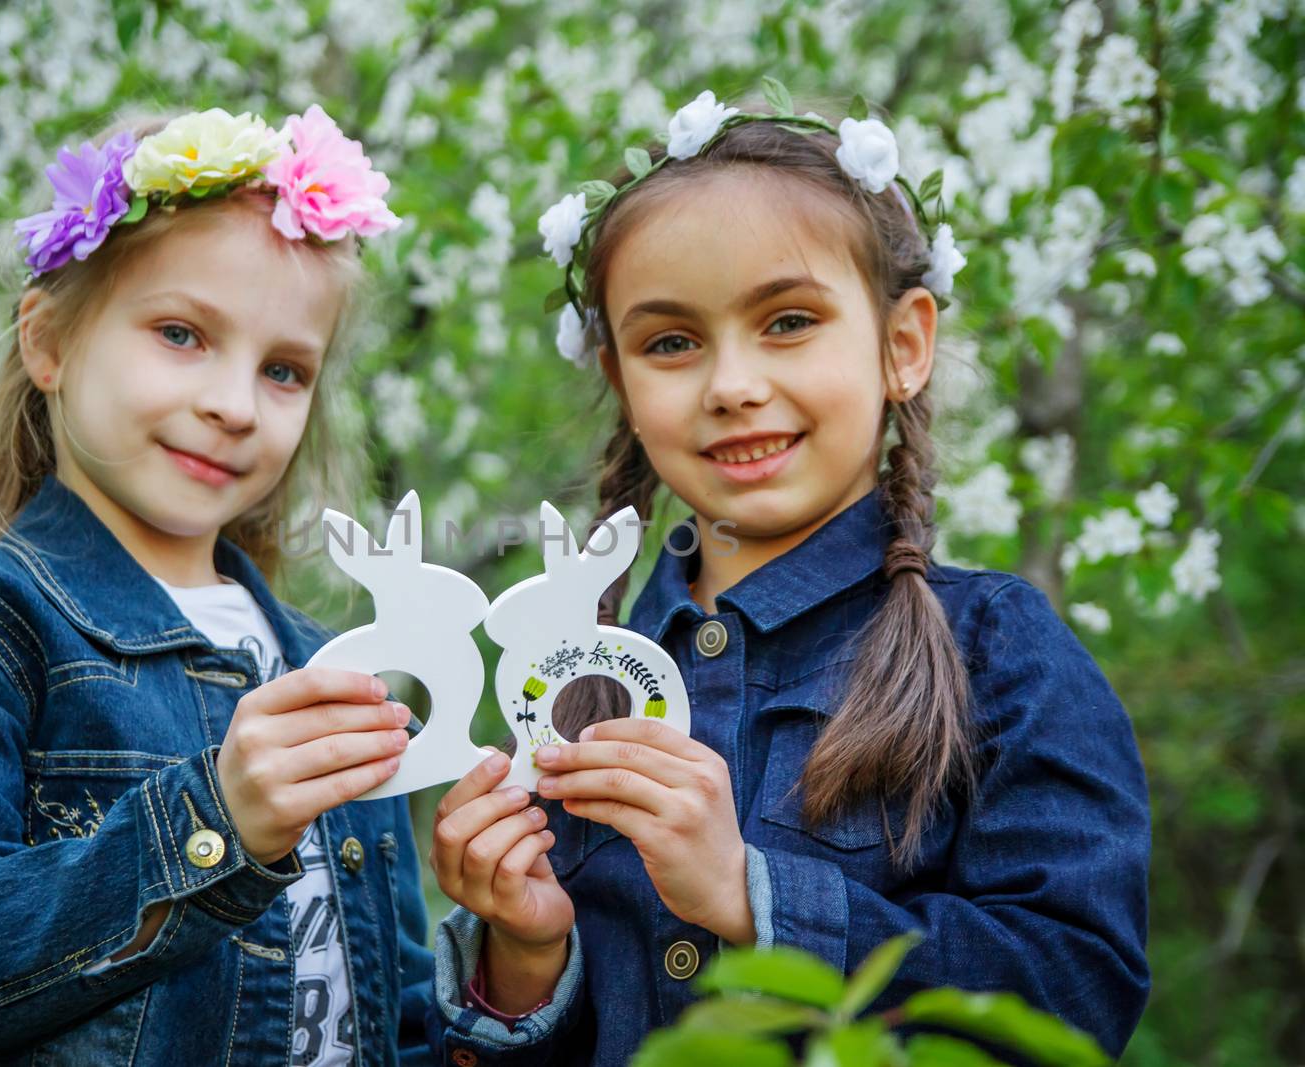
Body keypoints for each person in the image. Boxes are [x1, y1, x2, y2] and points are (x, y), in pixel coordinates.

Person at [425, 85, 1151, 1065]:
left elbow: (1072, 996)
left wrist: (748, 895)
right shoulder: (576, 684)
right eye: (671, 342)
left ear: (903, 345)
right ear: (620, 380)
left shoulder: (997, 652)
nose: (731, 384)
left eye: (788, 320)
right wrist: (524, 954)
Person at [0, 103, 432, 1066]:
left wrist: (517, 962)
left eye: (283, 369)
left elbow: (401, 1010)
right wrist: (213, 821)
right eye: (182, 334)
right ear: (48, 342)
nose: (232, 405)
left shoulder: (334, 667)